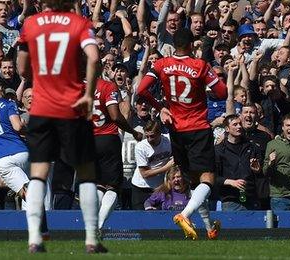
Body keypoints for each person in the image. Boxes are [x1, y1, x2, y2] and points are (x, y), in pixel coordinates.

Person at [16, 0, 105, 253]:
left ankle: (34, 238)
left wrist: (42, 79)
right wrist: (88, 93)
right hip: (71, 107)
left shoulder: (30, 24)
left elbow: (22, 68)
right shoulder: (79, 23)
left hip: (41, 108)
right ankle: (90, 239)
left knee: (38, 173)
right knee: (86, 172)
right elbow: (94, 56)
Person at [136, 28, 227, 240]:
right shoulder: (200, 66)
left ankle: (209, 228)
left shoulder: (162, 64)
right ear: (191, 45)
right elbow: (223, 93)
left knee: (196, 184)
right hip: (198, 127)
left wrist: (160, 108)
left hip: (175, 129)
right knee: (208, 179)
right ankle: (185, 214)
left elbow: (140, 90)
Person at [91, 78, 143, 230]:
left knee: (99, 185)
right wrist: (133, 132)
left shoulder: (78, 87)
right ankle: (99, 223)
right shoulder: (106, 86)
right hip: (107, 137)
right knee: (113, 187)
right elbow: (115, 115)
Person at [215, 115, 264, 211]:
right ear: (227, 128)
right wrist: (230, 182)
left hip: (252, 198)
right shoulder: (219, 150)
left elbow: (261, 173)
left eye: (240, 124)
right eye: (235, 124)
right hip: (231, 200)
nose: (239, 127)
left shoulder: (252, 147)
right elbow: (214, 177)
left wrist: (257, 170)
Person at [131, 120, 175, 209]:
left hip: (159, 187)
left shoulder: (168, 141)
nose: (149, 139)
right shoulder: (141, 147)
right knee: (140, 218)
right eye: (147, 136)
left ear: (160, 133)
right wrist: (166, 167)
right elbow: (145, 174)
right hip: (141, 187)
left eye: (152, 136)